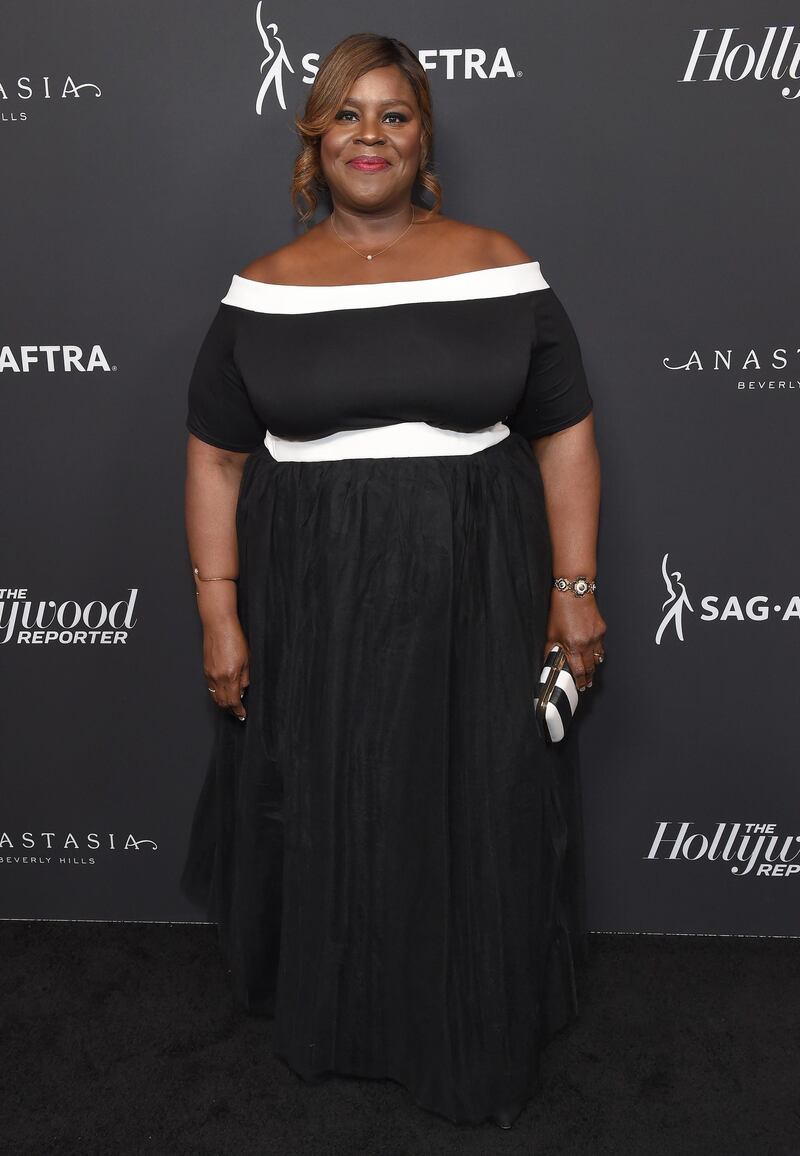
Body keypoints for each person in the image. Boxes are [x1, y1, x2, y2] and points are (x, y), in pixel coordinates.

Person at [180, 31, 606, 1134]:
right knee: (334, 796)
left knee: (474, 795)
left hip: (474, 581)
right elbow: (217, 458)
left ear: (422, 141)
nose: (369, 135)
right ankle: (348, 1015)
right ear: (313, 139)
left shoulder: (498, 261)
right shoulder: (261, 289)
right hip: (312, 592)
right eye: (345, 115)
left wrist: (572, 585)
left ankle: (464, 1017)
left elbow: (562, 435)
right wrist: (220, 614)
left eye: (394, 115)